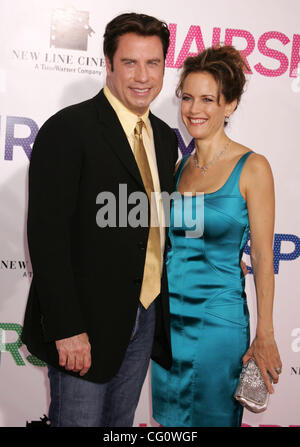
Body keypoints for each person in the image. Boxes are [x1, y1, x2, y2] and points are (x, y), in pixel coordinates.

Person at [21, 13, 178, 427]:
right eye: (130, 62)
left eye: (153, 63)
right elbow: (47, 237)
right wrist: (67, 327)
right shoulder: (69, 129)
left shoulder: (163, 137)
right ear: (108, 64)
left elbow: (153, 227)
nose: (142, 76)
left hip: (143, 317)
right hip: (84, 325)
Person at [151, 44, 282, 427]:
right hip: (170, 324)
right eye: (188, 98)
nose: (195, 109)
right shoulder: (178, 167)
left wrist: (266, 332)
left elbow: (261, 256)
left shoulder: (253, 167)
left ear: (231, 105)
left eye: (209, 99)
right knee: (172, 424)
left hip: (218, 323)